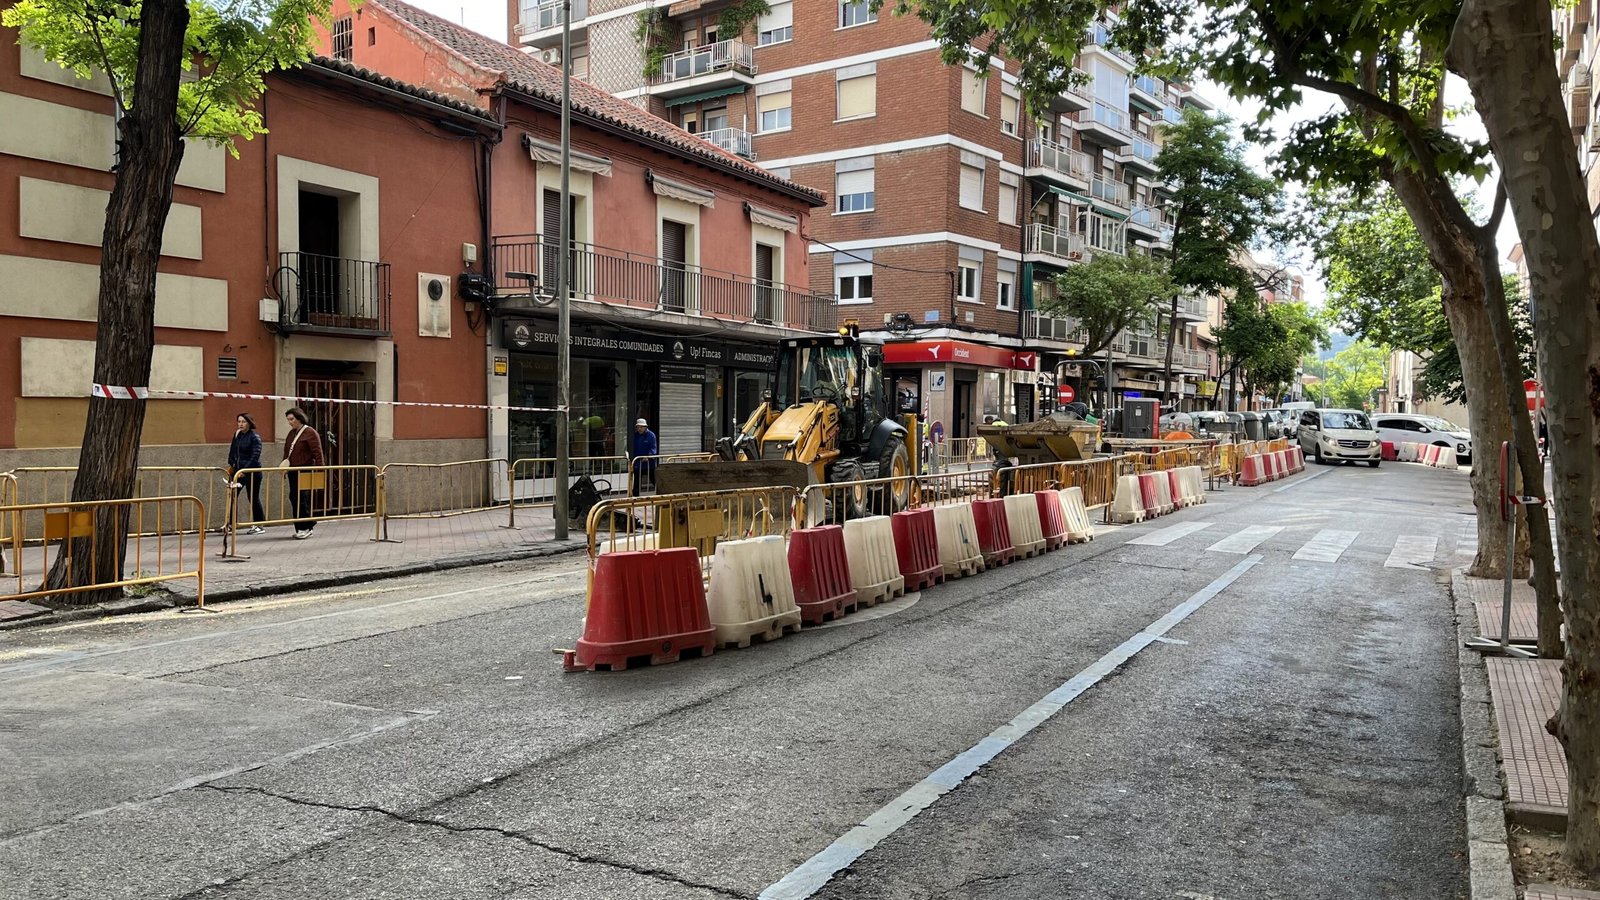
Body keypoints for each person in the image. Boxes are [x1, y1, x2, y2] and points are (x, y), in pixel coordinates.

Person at [282, 407, 325, 539]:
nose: (290, 422)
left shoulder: (309, 432)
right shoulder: (291, 433)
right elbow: (287, 452)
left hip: (305, 470)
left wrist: (320, 470)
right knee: (294, 497)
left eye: (292, 419)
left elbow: (317, 452)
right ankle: (302, 526)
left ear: (299, 418)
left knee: (302, 498)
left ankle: (306, 527)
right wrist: (283, 468)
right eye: (288, 420)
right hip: (293, 470)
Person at [226, 412, 266, 534]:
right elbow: (232, 451)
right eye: (239, 421)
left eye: (243, 422)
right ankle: (230, 524)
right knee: (232, 497)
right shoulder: (237, 434)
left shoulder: (255, 437)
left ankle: (259, 525)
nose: (240, 424)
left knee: (253, 497)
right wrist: (232, 464)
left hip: (251, 472)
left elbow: (255, 456)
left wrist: (245, 470)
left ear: (249, 423)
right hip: (238, 471)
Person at [629, 418, 658, 496]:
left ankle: (661, 494)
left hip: (649, 463)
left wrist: (649, 456)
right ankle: (635, 498)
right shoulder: (635, 436)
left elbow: (653, 448)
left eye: (641, 427)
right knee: (637, 482)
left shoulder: (651, 435)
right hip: (638, 463)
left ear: (645, 427)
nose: (639, 429)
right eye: (638, 427)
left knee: (654, 479)